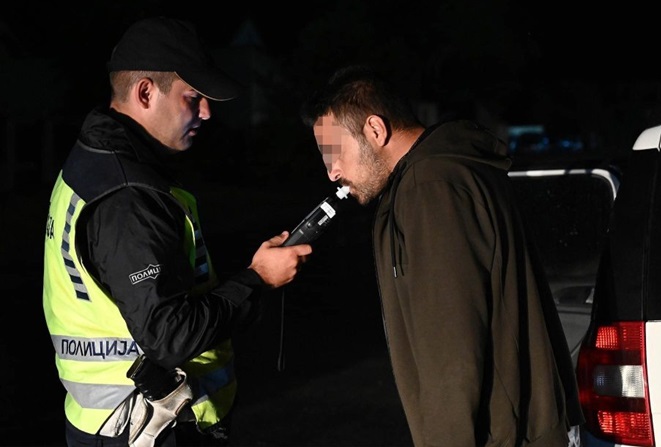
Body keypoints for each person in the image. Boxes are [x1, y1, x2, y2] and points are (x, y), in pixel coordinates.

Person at [42, 16, 312, 447]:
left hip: (112, 424)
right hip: (145, 429)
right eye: (193, 97)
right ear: (145, 92)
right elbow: (168, 335)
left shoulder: (94, 163)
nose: (206, 112)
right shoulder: (127, 196)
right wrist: (258, 278)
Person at [300, 65, 585, 446]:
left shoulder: (430, 188)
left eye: (334, 153)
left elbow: (451, 349)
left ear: (375, 130)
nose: (332, 172)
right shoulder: (444, 173)